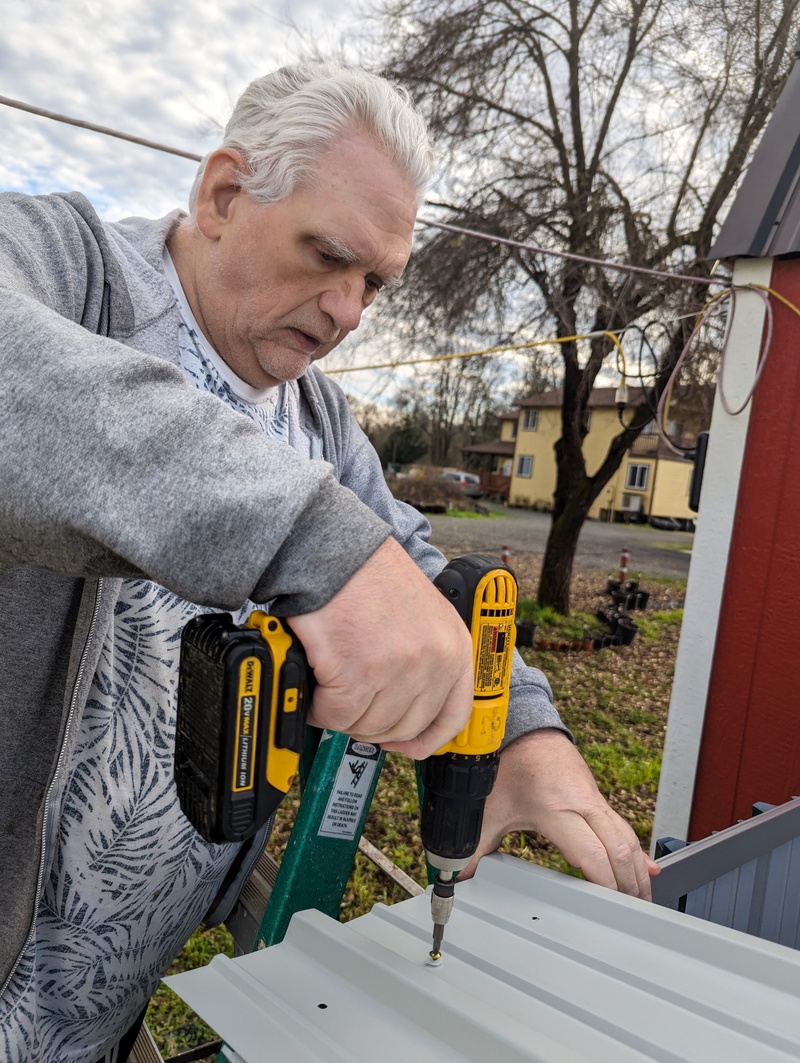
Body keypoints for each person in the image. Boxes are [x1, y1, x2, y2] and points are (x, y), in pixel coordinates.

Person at [0, 62, 657, 1062]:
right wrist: (303, 537)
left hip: (101, 1020)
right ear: (223, 193)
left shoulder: (318, 424)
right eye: (327, 255)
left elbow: (416, 570)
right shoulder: (63, 269)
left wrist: (519, 734)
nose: (349, 310)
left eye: (374, 281)